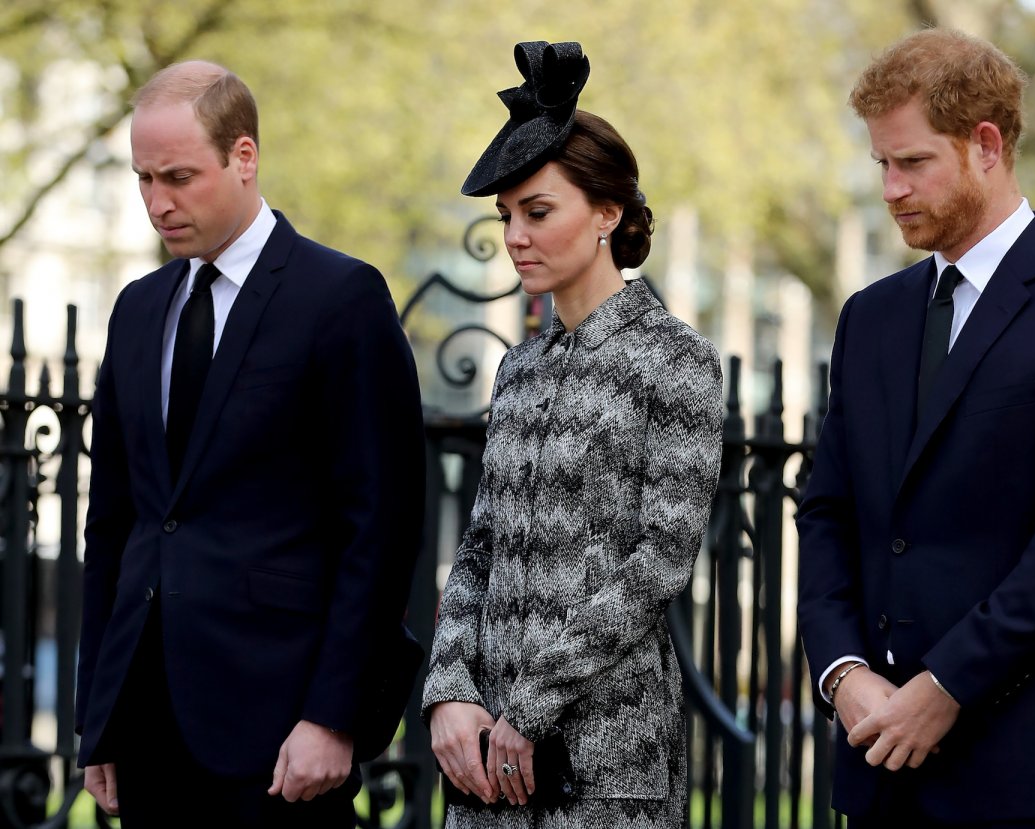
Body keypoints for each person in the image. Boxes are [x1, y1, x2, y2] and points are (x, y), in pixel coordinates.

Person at [797, 28, 1035, 828]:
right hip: (877, 756)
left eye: (913, 162)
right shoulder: (870, 316)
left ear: (986, 145)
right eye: (881, 165)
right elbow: (827, 508)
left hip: (1025, 764)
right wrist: (841, 670)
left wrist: (946, 685)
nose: (891, 188)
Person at [75, 61, 425, 829]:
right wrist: (96, 715)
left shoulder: (340, 299)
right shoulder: (138, 310)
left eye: (179, 176)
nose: (158, 203)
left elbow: (382, 528)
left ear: (244, 157)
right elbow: (114, 523)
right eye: (142, 179)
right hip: (146, 725)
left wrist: (333, 715)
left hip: (282, 733)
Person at [421, 41, 724, 828]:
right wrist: (450, 689)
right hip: (487, 760)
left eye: (539, 211)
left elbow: (658, 563)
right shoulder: (517, 369)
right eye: (507, 216)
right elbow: (479, 545)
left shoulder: (676, 360)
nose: (517, 235)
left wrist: (530, 702)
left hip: (607, 766)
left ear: (608, 212)